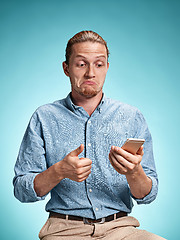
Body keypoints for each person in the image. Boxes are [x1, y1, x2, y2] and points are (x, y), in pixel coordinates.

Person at [13, 30, 166, 240]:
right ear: (66, 68)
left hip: (120, 230)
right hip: (63, 231)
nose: (90, 73)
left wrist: (134, 172)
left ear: (107, 68)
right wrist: (58, 171)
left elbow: (148, 195)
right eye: (81, 64)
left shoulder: (132, 117)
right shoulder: (44, 117)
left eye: (99, 64)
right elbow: (22, 190)